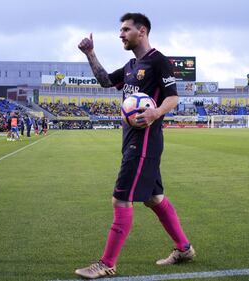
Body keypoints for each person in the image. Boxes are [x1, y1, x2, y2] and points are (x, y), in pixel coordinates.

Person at [75, 13, 195, 279]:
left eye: (125, 29)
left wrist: (155, 113)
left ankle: (106, 263)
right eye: (120, 30)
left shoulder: (158, 61)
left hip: (144, 142)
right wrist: (90, 53)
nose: (121, 34)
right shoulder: (131, 65)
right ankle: (184, 249)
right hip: (131, 139)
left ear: (142, 31)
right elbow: (106, 81)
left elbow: (173, 97)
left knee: (121, 198)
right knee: (154, 198)